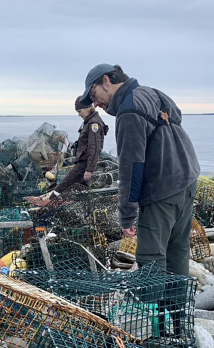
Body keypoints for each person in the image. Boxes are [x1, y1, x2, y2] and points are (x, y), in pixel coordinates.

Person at [79, 63, 200, 276]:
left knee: (151, 257)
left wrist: (126, 217)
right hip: (188, 179)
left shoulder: (128, 110)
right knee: (178, 251)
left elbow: (131, 168)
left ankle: (153, 309)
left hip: (162, 190)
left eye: (93, 94)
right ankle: (177, 308)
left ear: (106, 81)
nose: (95, 104)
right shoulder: (153, 93)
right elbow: (177, 118)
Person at [26, 96, 107, 205]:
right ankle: (77, 208)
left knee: (64, 184)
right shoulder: (89, 122)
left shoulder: (93, 124)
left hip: (84, 164)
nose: (79, 114)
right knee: (81, 190)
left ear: (88, 108)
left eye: (80, 111)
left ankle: (47, 202)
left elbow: (95, 147)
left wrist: (89, 169)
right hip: (83, 162)